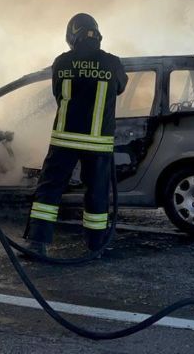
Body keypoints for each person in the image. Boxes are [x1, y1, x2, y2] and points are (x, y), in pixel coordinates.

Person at [23, 13, 128, 256]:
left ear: (71, 36)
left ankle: (37, 243)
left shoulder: (62, 62)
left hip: (65, 140)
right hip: (98, 143)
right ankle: (96, 246)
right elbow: (121, 87)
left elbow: (57, 93)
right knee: (97, 194)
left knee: (49, 190)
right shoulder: (112, 63)